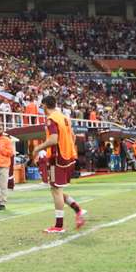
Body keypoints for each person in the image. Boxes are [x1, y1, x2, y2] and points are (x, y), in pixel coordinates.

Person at [30, 96, 87, 233]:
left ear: (44, 105)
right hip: (68, 157)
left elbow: (54, 139)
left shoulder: (52, 120)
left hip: (57, 158)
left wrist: (38, 148)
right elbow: (72, 136)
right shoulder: (64, 117)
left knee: (55, 190)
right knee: (57, 189)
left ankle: (59, 226)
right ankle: (78, 210)